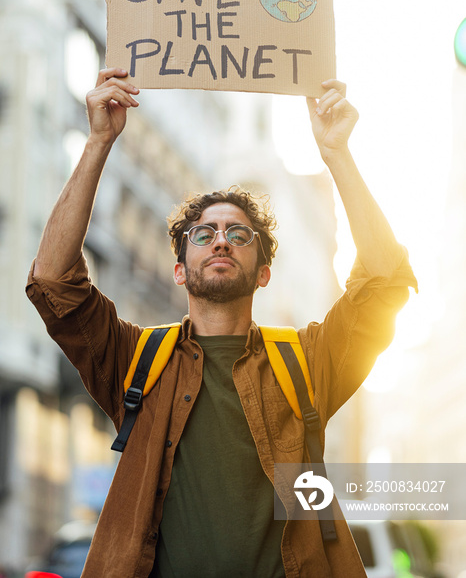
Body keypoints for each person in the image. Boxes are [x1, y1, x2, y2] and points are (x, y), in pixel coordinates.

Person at [26, 68, 417, 578]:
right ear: (180, 268)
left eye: (239, 233)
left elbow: (384, 283)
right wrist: (99, 141)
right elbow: (54, 282)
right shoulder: (136, 362)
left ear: (264, 273)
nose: (221, 240)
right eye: (204, 232)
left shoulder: (305, 363)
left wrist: (336, 153)